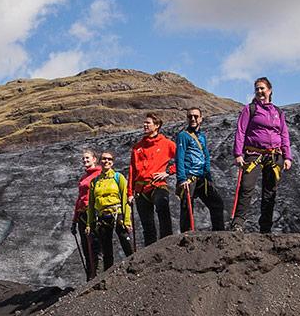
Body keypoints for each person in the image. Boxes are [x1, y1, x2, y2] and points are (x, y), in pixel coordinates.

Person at [231, 77, 293, 233]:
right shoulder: (250, 109)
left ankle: (266, 226)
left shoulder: (278, 112)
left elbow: (284, 134)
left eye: (262, 88)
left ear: (269, 90)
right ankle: (238, 222)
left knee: (270, 191)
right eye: (256, 88)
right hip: (254, 154)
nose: (259, 91)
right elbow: (241, 131)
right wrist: (238, 153)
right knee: (246, 187)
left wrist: (287, 156)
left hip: (274, 156)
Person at [173, 106, 226, 232]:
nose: (193, 119)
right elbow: (179, 157)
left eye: (195, 116)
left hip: (202, 177)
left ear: (201, 118)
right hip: (189, 178)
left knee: (217, 204)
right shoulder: (183, 136)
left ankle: (219, 234)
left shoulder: (202, 137)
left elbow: (206, 156)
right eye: (190, 116)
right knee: (186, 209)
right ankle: (186, 237)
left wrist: (208, 177)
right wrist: (181, 179)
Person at [129, 113, 178, 245]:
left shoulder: (167, 144)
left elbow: (182, 158)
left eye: (148, 123)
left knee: (163, 211)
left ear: (157, 126)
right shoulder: (137, 147)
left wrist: (168, 172)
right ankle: (151, 255)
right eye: (144, 123)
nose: (144, 125)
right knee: (147, 224)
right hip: (140, 189)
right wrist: (130, 193)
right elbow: (132, 170)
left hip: (158, 184)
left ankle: (167, 245)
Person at [84, 151, 133, 273]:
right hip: (102, 216)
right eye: (104, 159)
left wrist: (127, 220)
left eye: (109, 159)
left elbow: (125, 200)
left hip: (118, 214)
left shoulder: (118, 177)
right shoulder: (95, 182)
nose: (106, 161)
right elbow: (91, 205)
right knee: (106, 249)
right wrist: (90, 224)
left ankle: (134, 268)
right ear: (100, 161)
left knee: (126, 243)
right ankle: (108, 275)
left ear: (112, 162)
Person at [70, 149, 101, 281]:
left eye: (87, 158)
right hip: (82, 214)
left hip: (93, 212)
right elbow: (79, 199)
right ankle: (90, 276)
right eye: (83, 159)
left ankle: (98, 274)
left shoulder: (99, 174)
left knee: (95, 244)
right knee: (85, 246)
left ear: (94, 159)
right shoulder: (84, 177)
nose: (85, 160)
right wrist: (74, 220)